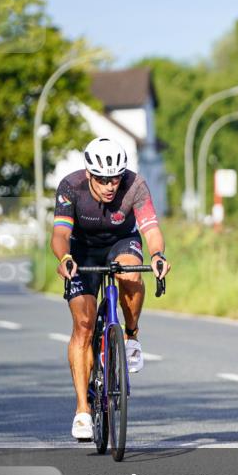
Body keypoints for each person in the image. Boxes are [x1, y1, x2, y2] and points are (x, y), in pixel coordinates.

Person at [51, 137, 171, 440]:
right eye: (103, 179)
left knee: (131, 272)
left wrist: (157, 256)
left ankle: (130, 336)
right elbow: (61, 233)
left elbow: (151, 230)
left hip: (121, 242)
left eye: (115, 178)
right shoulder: (71, 186)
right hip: (81, 250)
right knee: (83, 325)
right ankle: (82, 411)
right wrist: (65, 258)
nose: (110, 185)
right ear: (90, 174)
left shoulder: (135, 186)